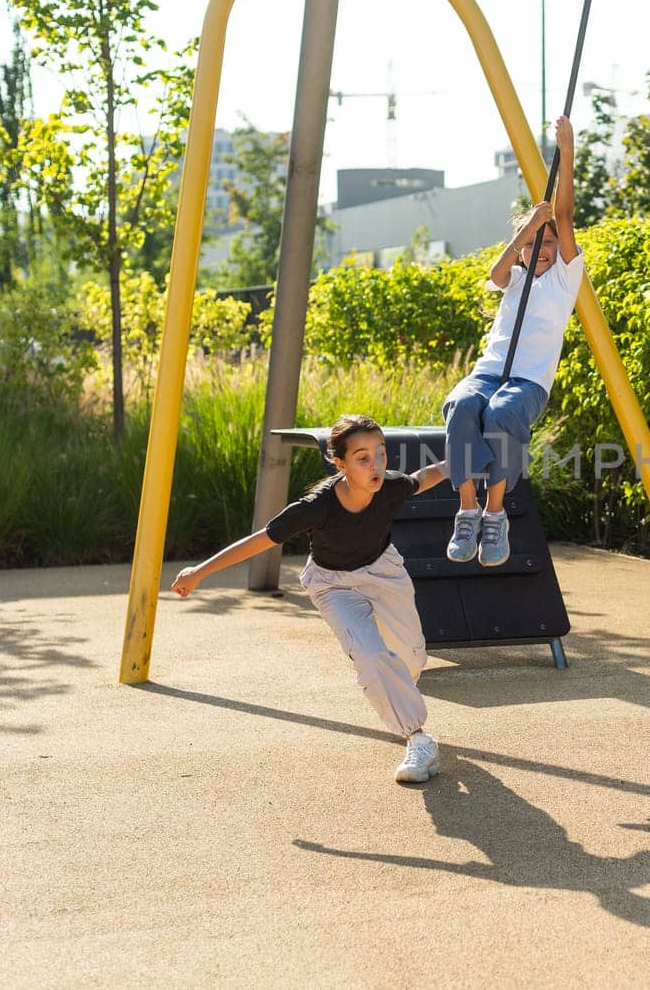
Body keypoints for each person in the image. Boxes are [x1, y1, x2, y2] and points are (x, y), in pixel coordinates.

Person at [171, 414, 449, 784]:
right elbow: (261, 539)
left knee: (411, 659)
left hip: (384, 573)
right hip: (332, 584)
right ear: (340, 463)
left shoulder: (389, 486)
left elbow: (421, 479)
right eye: (363, 458)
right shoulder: (316, 506)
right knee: (370, 655)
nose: (376, 465)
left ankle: (388, 680)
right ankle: (418, 739)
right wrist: (200, 571)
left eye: (380, 454)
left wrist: (457, 464)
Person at [441, 114, 583, 567]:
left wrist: (567, 150)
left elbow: (563, 213)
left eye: (548, 245)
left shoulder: (563, 279)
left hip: (526, 383)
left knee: (501, 415)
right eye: (532, 245)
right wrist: (526, 228)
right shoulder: (516, 279)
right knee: (461, 405)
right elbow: (494, 272)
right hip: (489, 372)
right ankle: (467, 509)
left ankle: (494, 513)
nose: (540, 251)